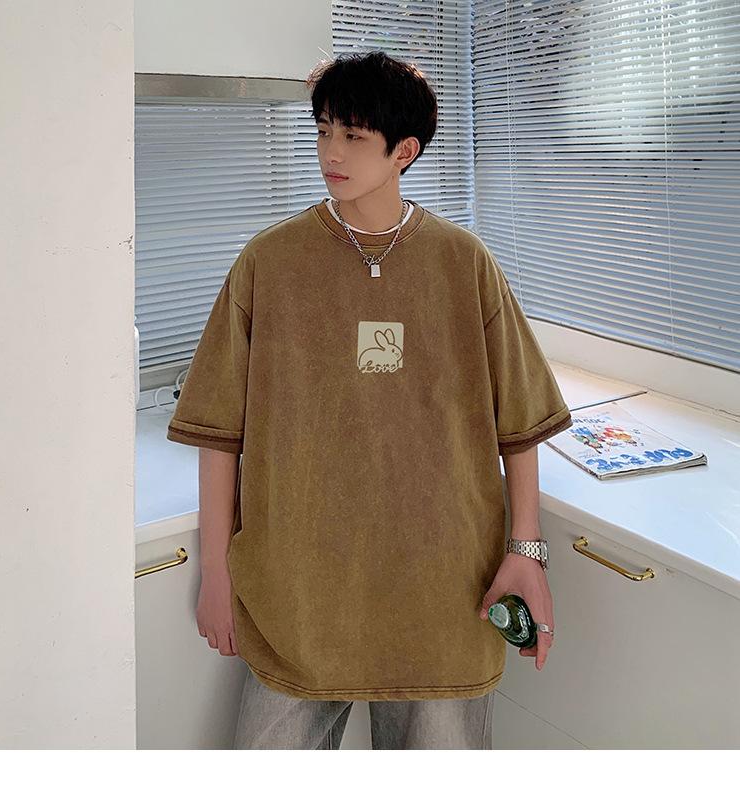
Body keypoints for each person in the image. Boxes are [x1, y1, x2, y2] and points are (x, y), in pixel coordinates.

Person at [166, 50, 573, 749]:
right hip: (298, 592)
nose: (332, 152)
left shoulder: (463, 262)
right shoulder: (270, 261)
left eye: (354, 136)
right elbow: (218, 432)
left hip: (442, 591)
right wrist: (216, 573)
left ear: (403, 151)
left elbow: (520, 424)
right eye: (324, 130)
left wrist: (526, 552)